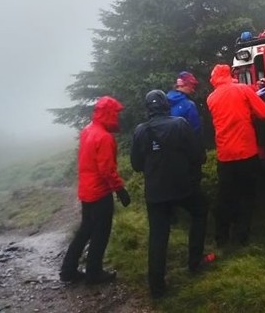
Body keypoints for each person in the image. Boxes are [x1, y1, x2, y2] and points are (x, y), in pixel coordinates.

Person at [131, 89, 213, 299]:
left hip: (156, 193)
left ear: (148, 108)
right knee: (200, 210)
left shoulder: (140, 131)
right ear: (166, 105)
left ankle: (157, 288)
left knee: (158, 235)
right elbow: (197, 155)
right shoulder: (179, 124)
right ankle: (195, 262)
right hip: (182, 187)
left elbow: (136, 164)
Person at [60, 96, 131, 285]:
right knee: (101, 233)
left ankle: (68, 270)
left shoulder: (87, 131)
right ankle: (94, 273)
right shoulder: (104, 137)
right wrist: (120, 190)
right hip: (100, 193)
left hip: (86, 190)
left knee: (85, 230)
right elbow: (106, 169)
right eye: (115, 113)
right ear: (108, 113)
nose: (117, 117)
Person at [207, 64, 265, 247]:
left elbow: (234, 97)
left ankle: (221, 238)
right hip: (247, 153)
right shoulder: (242, 90)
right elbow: (262, 112)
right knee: (247, 195)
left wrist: (255, 86)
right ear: (230, 75)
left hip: (225, 156)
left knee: (225, 197)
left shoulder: (211, 98)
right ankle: (241, 237)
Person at [167, 71, 202, 135]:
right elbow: (196, 130)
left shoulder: (164, 100)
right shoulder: (189, 105)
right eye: (191, 86)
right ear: (183, 85)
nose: (193, 90)